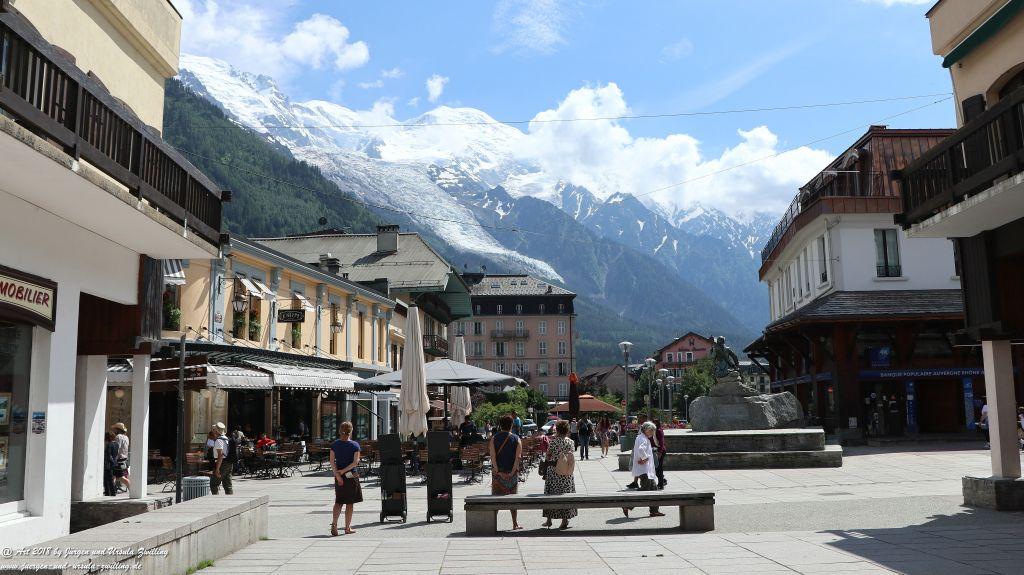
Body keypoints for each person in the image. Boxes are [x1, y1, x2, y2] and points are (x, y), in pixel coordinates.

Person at [623, 422, 665, 518]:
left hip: (646, 470)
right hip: (644, 470)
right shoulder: (643, 439)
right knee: (644, 490)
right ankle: (627, 505)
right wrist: (645, 458)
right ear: (646, 430)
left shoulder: (642, 438)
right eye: (651, 431)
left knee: (654, 489)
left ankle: (654, 510)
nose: (652, 433)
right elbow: (641, 450)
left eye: (653, 431)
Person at [489, 415, 523, 530]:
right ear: (512, 425)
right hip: (512, 475)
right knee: (513, 500)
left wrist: (498, 472)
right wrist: (512, 472)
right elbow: (518, 458)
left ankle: (492, 523)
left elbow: (493, 457)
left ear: (500, 424)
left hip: (497, 475)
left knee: (495, 500)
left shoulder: (494, 438)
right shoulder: (517, 438)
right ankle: (515, 523)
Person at [542, 420, 577, 530]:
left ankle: (549, 519)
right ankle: (565, 520)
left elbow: (548, 456)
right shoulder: (571, 442)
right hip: (566, 472)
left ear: (557, 429)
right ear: (567, 430)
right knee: (565, 495)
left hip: (554, 471)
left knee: (551, 494)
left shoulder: (553, 442)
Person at [330, 421, 362, 536]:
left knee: (338, 501)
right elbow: (355, 462)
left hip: (339, 477)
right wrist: (344, 471)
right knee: (350, 503)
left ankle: (334, 524)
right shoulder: (355, 445)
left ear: (340, 431)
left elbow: (332, 461)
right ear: (351, 431)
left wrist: (338, 475)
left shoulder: (335, 445)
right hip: (351, 476)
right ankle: (347, 528)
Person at [210, 422, 236, 495]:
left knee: (213, 484)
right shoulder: (227, 439)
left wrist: (217, 469)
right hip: (229, 463)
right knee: (228, 485)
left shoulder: (219, 440)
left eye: (213, 429)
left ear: (216, 431)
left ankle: (216, 501)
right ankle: (230, 501)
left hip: (222, 464)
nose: (213, 431)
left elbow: (220, 455)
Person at [625, 415, 648, 489]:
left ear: (644, 418)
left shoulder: (646, 427)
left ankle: (661, 479)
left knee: (641, 465)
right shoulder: (642, 426)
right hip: (638, 448)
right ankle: (635, 482)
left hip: (642, 449)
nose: (638, 419)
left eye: (640, 418)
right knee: (637, 465)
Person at [112, 422, 130, 491]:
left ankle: (132, 489)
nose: (114, 431)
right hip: (124, 460)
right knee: (114, 475)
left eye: (115, 429)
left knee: (120, 477)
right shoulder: (126, 437)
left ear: (118, 429)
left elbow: (117, 448)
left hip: (119, 460)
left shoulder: (118, 437)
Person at [652, 419, 667, 489]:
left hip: (660, 451)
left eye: (654, 423)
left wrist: (660, 452)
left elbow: (661, 442)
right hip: (657, 450)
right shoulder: (655, 430)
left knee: (659, 468)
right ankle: (662, 481)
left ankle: (661, 484)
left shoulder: (658, 430)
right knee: (657, 468)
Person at [103, 431, 118, 497]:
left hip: (108, 464)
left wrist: (109, 463)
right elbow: (115, 455)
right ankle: (112, 493)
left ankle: (108, 493)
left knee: (107, 480)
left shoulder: (108, 445)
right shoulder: (116, 444)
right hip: (114, 463)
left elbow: (109, 456)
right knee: (111, 479)